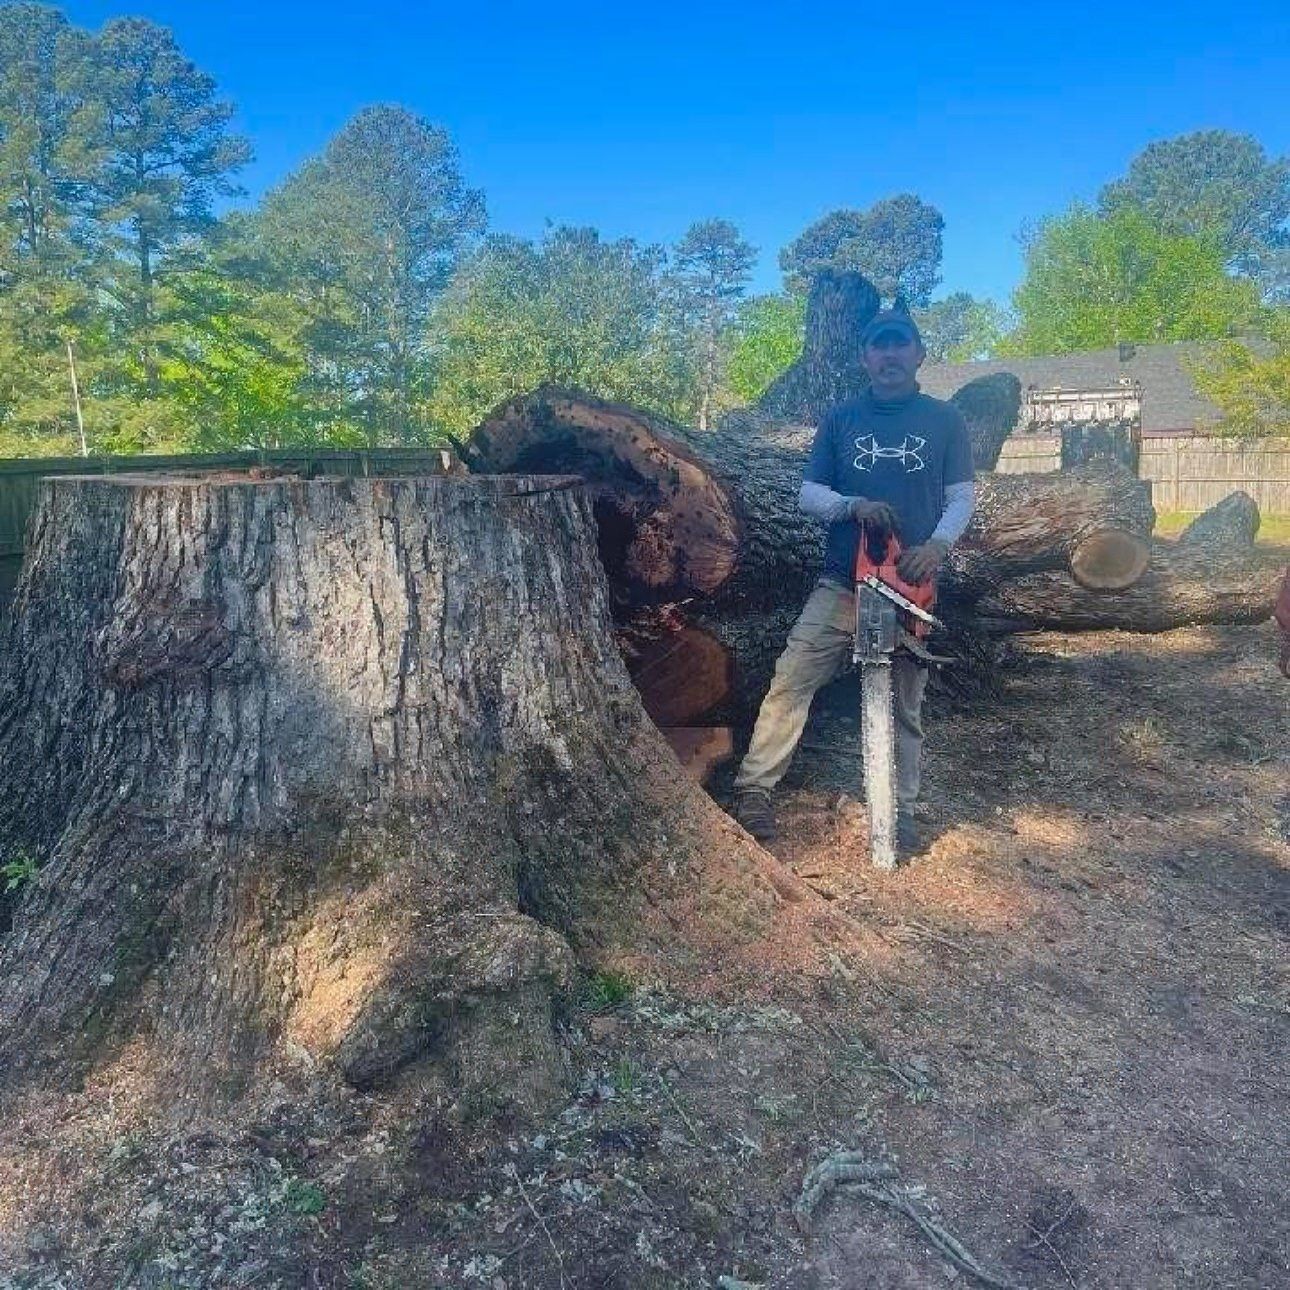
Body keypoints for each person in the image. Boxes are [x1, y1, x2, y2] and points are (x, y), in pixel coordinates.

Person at [731, 309, 976, 851]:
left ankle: (902, 812)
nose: (889, 355)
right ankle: (753, 792)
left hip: (913, 589)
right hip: (844, 582)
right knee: (791, 681)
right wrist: (853, 505)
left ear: (918, 354)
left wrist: (935, 547)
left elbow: (961, 498)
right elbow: (808, 494)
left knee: (906, 705)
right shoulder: (842, 419)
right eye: (879, 347)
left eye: (900, 345)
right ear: (865, 357)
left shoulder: (945, 420)